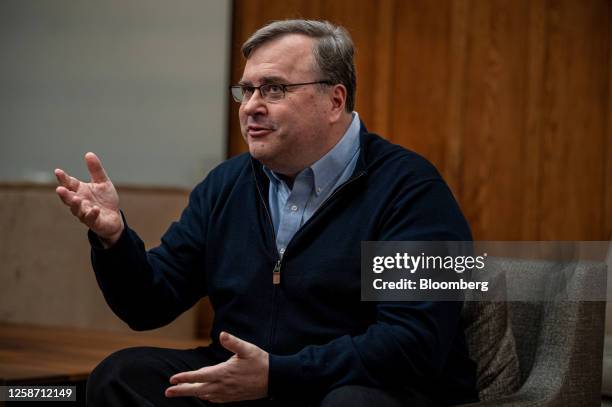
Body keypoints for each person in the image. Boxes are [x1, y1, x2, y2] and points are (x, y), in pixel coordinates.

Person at [54, 20, 478, 406]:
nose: (250, 106)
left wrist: (280, 374)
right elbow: (148, 305)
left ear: (334, 100)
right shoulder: (227, 184)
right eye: (247, 90)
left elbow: (414, 342)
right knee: (121, 376)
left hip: (363, 386)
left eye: (274, 89)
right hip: (250, 384)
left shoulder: (412, 189)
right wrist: (113, 240)